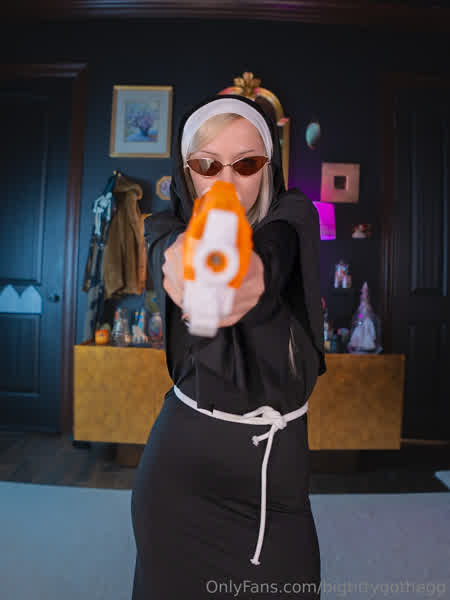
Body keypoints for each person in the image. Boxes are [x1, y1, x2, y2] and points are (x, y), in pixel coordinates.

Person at [131, 94, 326, 599]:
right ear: (186, 171)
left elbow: (277, 249)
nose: (226, 182)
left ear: (268, 167)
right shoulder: (165, 230)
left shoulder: (294, 216)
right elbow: (169, 251)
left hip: (279, 489)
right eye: (207, 165)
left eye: (246, 164)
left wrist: (253, 273)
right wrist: (186, 264)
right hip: (180, 477)